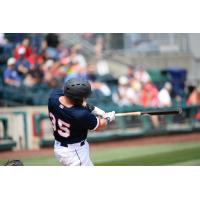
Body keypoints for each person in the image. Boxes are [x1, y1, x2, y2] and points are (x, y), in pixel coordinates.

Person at [48, 78, 115, 166]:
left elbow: (72, 97)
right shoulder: (80, 114)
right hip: (74, 151)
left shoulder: (54, 97)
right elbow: (99, 126)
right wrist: (108, 118)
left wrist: (93, 108)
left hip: (61, 147)